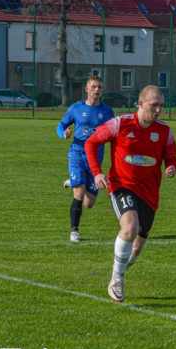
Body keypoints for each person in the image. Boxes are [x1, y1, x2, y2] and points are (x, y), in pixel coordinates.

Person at [85, 86, 176, 302]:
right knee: (129, 228)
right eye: (154, 105)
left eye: (161, 106)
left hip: (149, 193)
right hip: (121, 185)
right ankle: (116, 279)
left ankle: (121, 266)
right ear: (141, 103)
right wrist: (97, 173)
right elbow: (91, 143)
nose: (158, 110)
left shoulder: (164, 131)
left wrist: (172, 167)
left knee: (136, 247)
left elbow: (172, 157)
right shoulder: (120, 124)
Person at [57, 76, 114, 242]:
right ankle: (74, 231)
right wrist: (64, 134)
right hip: (77, 154)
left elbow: (113, 133)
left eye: (100, 87)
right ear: (87, 89)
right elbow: (61, 126)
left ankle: (74, 181)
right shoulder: (75, 108)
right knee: (79, 193)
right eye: (94, 87)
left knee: (89, 203)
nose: (97, 90)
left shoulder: (108, 112)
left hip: (95, 159)